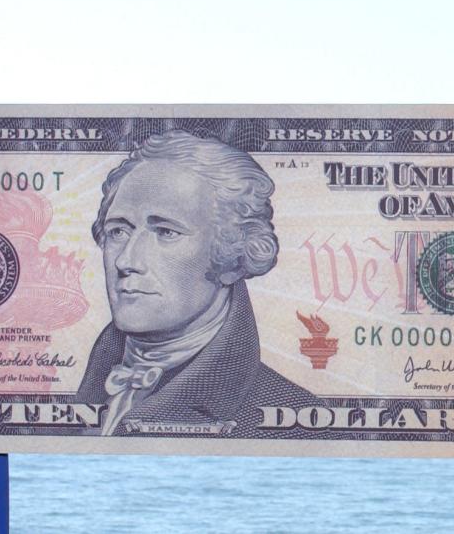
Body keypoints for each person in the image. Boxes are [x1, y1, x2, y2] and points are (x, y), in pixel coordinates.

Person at [75, 129, 313, 436]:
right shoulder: (90, 385)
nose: (125, 261)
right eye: (118, 231)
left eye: (165, 232)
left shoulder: (293, 418)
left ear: (231, 254)